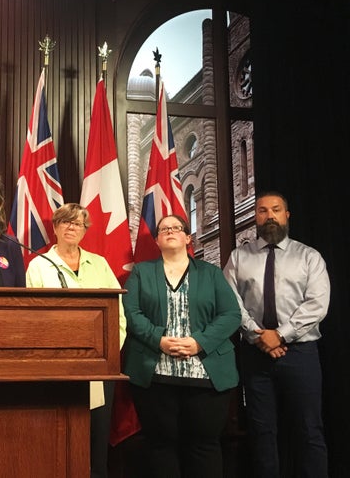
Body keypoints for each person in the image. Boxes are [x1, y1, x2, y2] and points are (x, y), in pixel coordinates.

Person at [122, 214, 241, 478]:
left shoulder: (210, 273)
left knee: (204, 447)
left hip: (206, 377)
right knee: (160, 447)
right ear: (157, 240)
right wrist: (158, 340)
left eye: (177, 228)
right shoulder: (142, 272)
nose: (171, 231)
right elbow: (130, 313)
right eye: (164, 229)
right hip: (155, 376)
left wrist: (200, 342)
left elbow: (231, 314)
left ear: (188, 238)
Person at [223, 191, 330, 478]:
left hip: (301, 355)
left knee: (309, 429)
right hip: (255, 355)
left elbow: (317, 304)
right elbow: (230, 302)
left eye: (276, 209)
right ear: (255, 217)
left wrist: (280, 335)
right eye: (262, 210)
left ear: (286, 215)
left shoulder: (309, 257)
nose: (269, 215)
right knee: (261, 431)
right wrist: (258, 335)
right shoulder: (238, 258)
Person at [25, 203, 126, 478]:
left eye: (78, 223)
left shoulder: (100, 264)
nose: (72, 227)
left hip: (99, 368)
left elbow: (118, 314)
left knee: (95, 437)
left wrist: (107, 355)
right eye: (66, 222)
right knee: (60, 434)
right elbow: (32, 318)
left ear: (85, 230)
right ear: (55, 227)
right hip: (56, 368)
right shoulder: (39, 265)